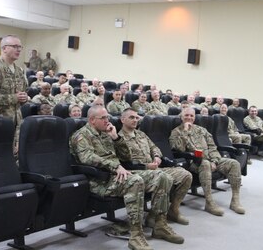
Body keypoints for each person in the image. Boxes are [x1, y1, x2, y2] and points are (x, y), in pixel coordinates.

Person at [69, 105, 184, 250]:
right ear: (92, 120)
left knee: (163, 177)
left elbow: (126, 157)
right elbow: (87, 158)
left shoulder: (107, 133)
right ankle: (136, 236)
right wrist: (114, 166)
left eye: (108, 117)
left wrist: (116, 138)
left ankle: (160, 225)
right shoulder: (81, 135)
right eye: (103, 118)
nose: (107, 120)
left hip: (118, 175)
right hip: (101, 180)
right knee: (135, 181)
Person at [119, 108, 192, 225]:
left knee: (185, 175)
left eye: (137, 117)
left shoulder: (141, 134)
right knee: (163, 177)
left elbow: (154, 148)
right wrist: (147, 166)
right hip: (138, 171)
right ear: (122, 119)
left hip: (156, 168)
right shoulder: (119, 138)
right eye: (131, 117)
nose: (135, 120)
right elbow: (125, 162)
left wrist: (157, 156)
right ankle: (154, 216)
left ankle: (173, 210)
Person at [169, 107, 245, 216]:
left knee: (234, 164)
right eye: (186, 115)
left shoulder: (202, 130)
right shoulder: (176, 132)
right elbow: (179, 148)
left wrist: (214, 160)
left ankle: (235, 200)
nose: (189, 118)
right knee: (205, 164)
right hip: (193, 163)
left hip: (211, 159)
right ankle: (209, 202)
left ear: (195, 118)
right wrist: (185, 132)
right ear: (181, 117)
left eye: (191, 116)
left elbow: (212, 147)